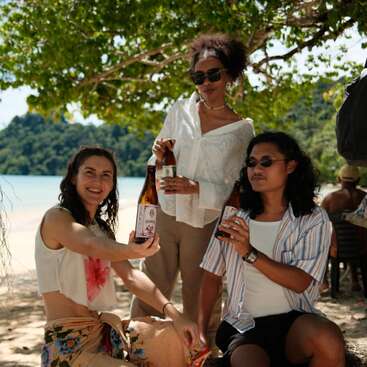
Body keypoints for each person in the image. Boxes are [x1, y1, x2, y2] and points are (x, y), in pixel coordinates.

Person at [130, 33, 255, 348]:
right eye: (199, 76)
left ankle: (202, 354)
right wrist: (159, 156)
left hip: (204, 221)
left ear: (230, 75)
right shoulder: (179, 110)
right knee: (151, 285)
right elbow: (156, 161)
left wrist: (195, 187)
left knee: (199, 297)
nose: (206, 82)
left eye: (214, 74)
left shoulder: (242, 130)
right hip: (165, 213)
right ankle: (137, 347)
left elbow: (235, 187)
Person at [35, 146, 202, 367]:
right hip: (67, 346)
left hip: (102, 333)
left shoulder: (102, 230)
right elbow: (89, 245)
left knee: (181, 339)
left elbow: (131, 276)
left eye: (106, 175)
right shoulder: (57, 218)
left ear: (112, 184)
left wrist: (176, 315)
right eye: (89, 172)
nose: (98, 181)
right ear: (73, 178)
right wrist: (132, 250)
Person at [198, 132, 346, 367]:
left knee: (328, 338)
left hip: (294, 321)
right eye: (251, 163)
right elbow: (211, 275)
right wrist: (201, 330)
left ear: (291, 166)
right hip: (243, 326)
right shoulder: (234, 216)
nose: (257, 169)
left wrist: (249, 253)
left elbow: (301, 282)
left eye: (266, 162)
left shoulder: (312, 219)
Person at [321, 164, 367, 291]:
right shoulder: (364, 197)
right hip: (362, 247)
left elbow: (320, 221)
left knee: (324, 242)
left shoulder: (330, 199)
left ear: (339, 179)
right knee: (358, 233)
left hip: (339, 248)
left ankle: (323, 281)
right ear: (358, 180)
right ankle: (355, 281)